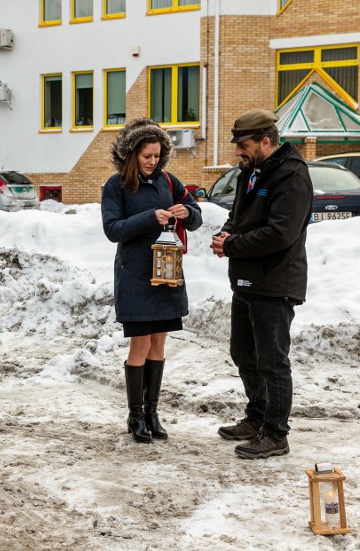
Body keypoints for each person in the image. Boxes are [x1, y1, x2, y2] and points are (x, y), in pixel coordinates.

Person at [211, 109, 313, 459]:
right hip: (247, 279)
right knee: (243, 353)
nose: (238, 151)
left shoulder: (291, 175)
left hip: (275, 281)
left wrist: (232, 245)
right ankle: (256, 418)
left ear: (265, 141)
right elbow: (239, 215)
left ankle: (275, 433)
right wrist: (226, 232)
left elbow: (281, 233)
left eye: (243, 145)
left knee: (271, 360)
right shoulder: (251, 172)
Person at [101, 118, 202, 443]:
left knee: (159, 343)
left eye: (157, 156)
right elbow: (112, 229)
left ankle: (152, 412)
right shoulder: (116, 186)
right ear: (132, 154)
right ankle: (135, 416)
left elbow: (195, 214)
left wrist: (188, 212)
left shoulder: (169, 181)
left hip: (167, 275)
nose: (152, 162)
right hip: (135, 276)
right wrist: (150, 217)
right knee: (140, 344)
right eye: (147, 156)